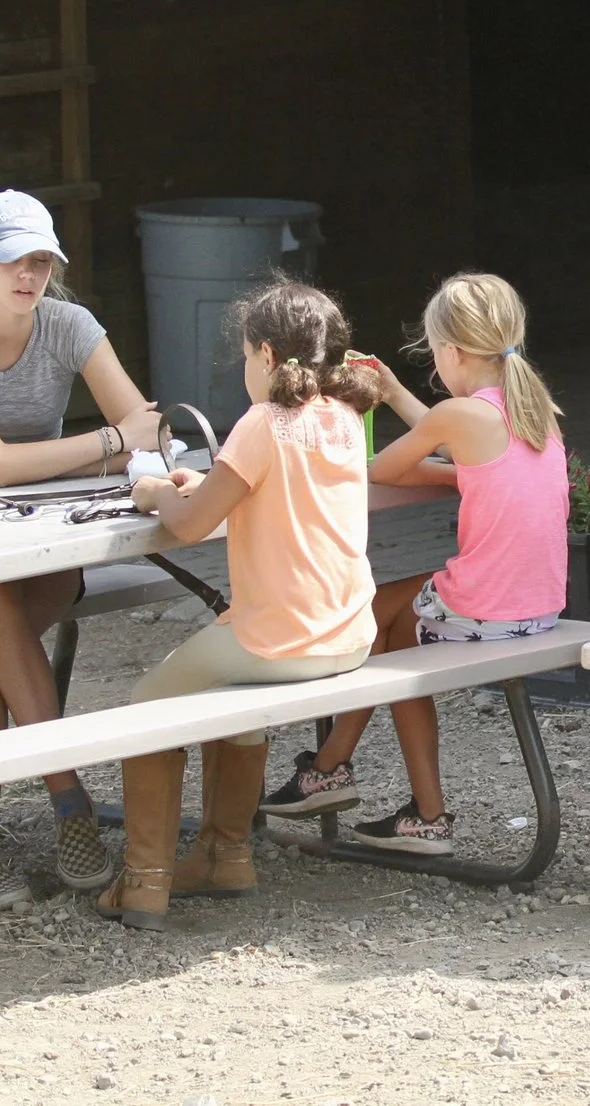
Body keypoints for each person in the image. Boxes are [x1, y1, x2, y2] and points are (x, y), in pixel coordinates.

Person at [0, 190, 163, 908]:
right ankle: (68, 795)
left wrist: (102, 450)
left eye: (42, 262)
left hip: (44, 533)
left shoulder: (69, 323)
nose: (29, 276)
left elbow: (153, 431)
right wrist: (108, 447)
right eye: (13, 260)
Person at [103, 279, 380, 928]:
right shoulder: (344, 418)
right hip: (349, 633)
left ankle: (145, 879)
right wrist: (209, 485)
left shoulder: (262, 423)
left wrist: (153, 492)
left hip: (280, 639)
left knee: (146, 707)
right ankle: (225, 855)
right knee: (233, 700)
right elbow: (280, 491)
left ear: (262, 355)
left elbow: (192, 526)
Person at [267, 273, 569, 855]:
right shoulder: (535, 410)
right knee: (387, 622)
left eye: (433, 351)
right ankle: (333, 772)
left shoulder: (460, 416)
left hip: (486, 609)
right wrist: (425, 429)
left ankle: (387, 797)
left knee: (376, 625)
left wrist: (411, 428)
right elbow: (465, 455)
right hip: (540, 609)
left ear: (452, 351)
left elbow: (380, 469)